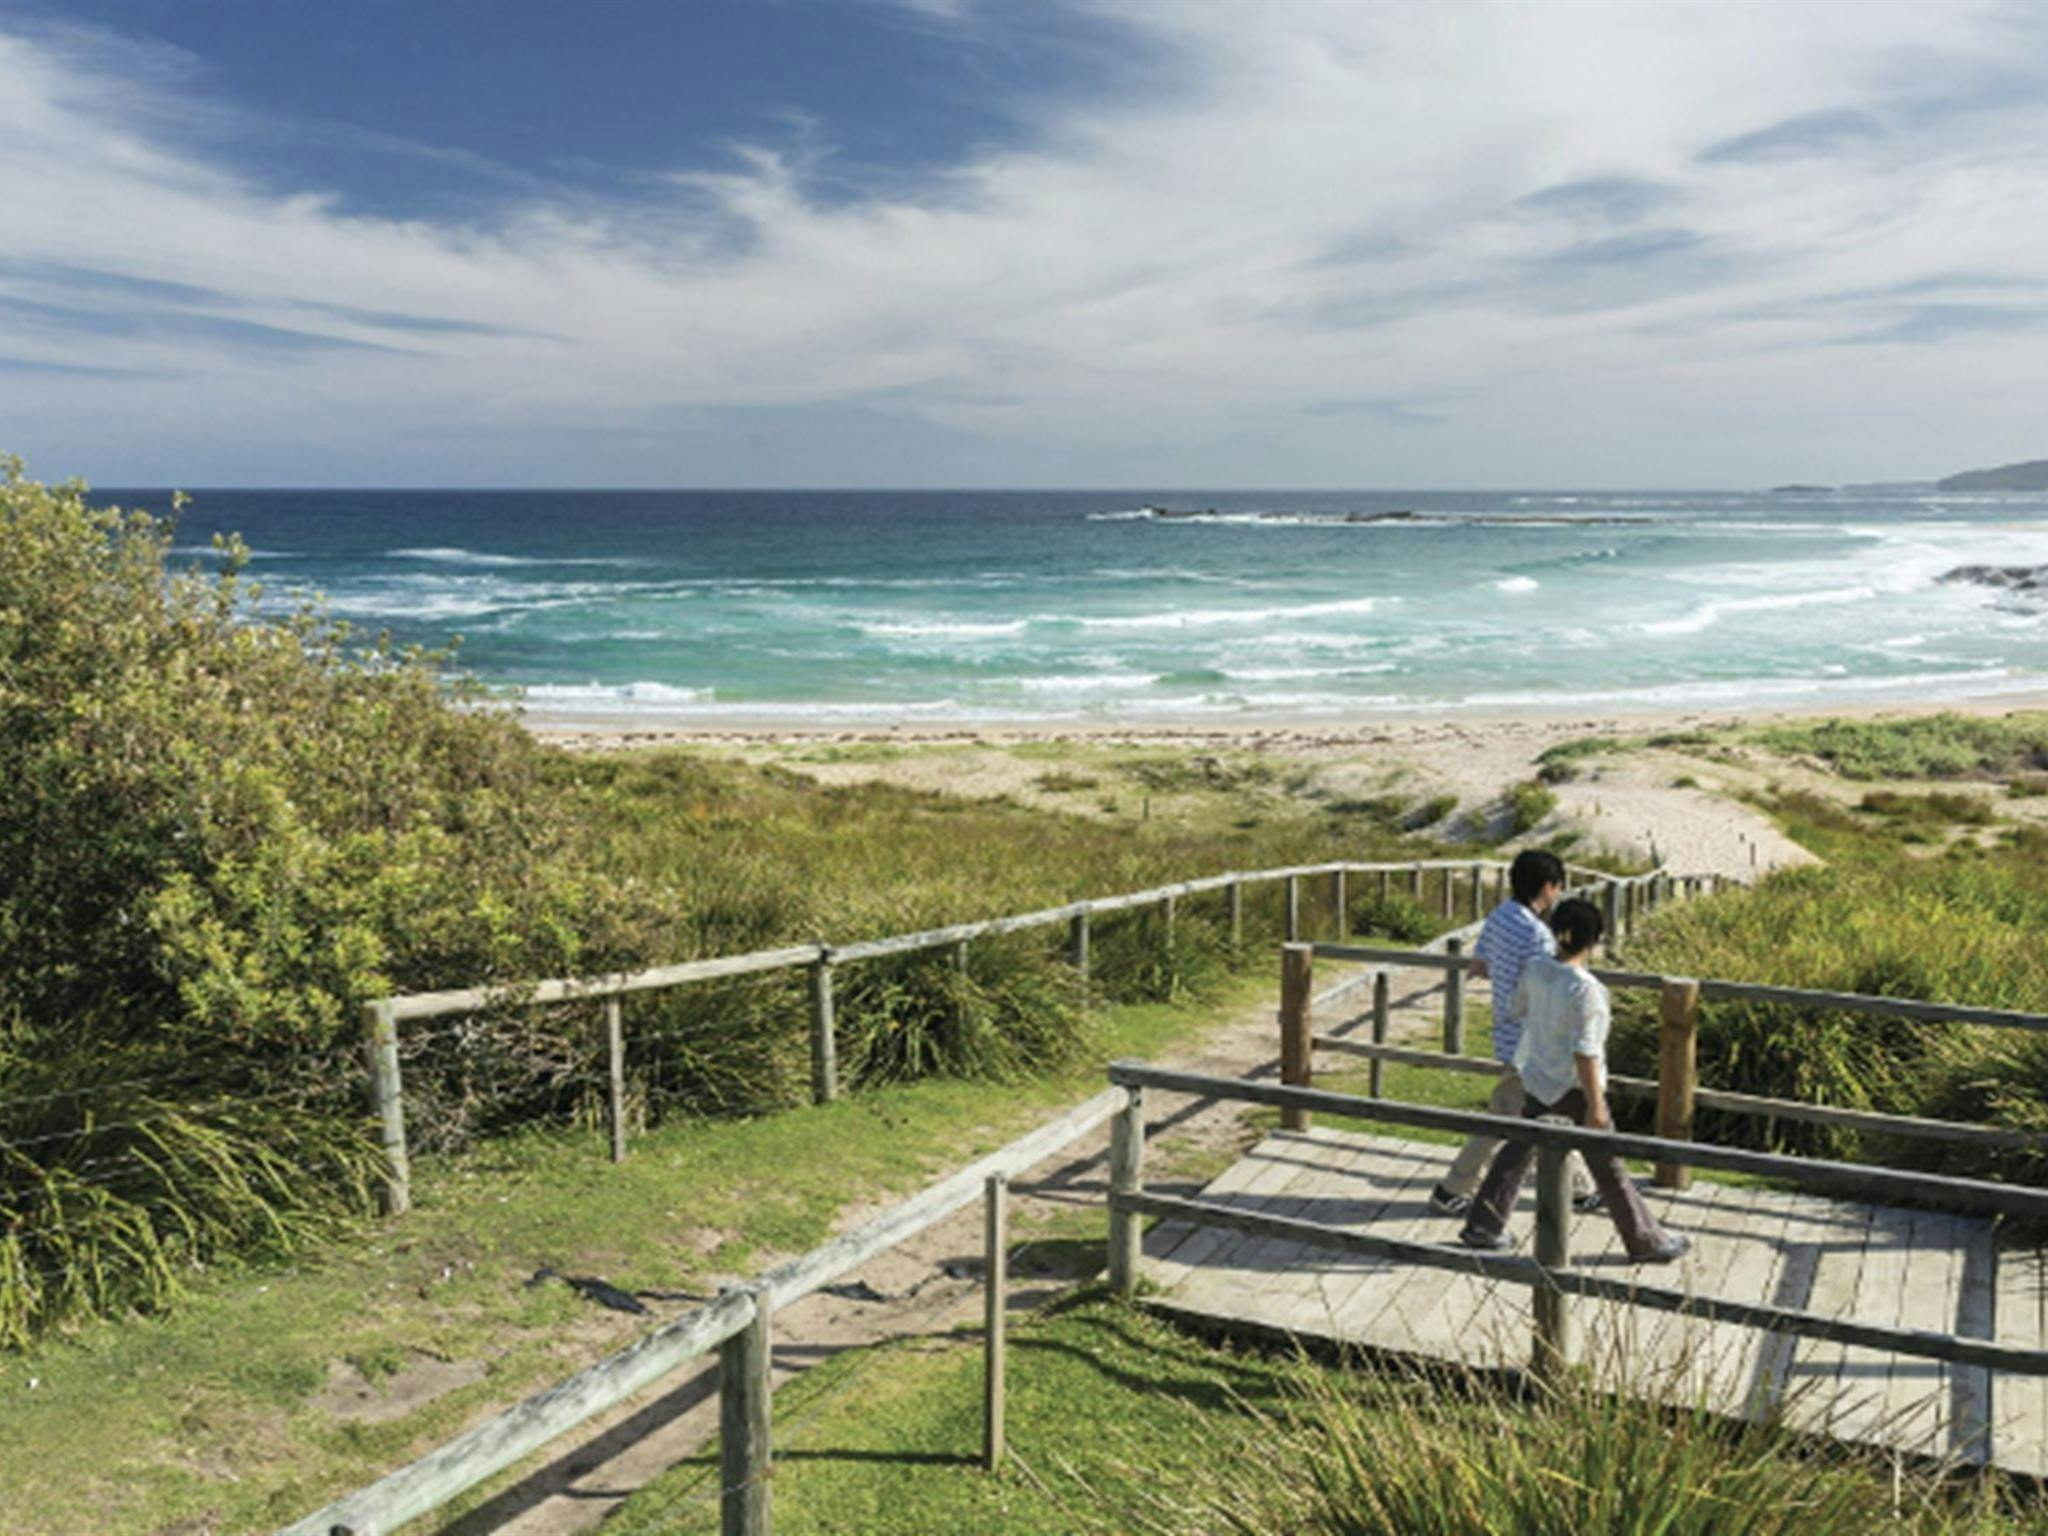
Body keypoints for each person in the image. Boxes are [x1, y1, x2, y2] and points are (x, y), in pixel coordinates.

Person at [1458, 897, 1689, 1263]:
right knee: (1609, 1167)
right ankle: (1646, 1241)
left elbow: (1516, 1009)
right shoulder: (1587, 989)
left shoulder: (1535, 969)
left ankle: (1482, 1226)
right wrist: (1596, 1105)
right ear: (1595, 940)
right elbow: (1587, 1052)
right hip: (1575, 1089)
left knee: (1516, 1154)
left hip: (1537, 1078)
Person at [1428, 849, 1597, 1217]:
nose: (1559, 894)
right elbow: (1547, 988)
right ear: (1548, 887)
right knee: (1505, 1117)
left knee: (1551, 1112)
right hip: (1531, 1043)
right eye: (1558, 887)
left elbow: (1478, 966)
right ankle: (1451, 1189)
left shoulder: (1500, 917)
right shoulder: (1537, 934)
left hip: (1508, 1034)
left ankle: (1580, 1189)